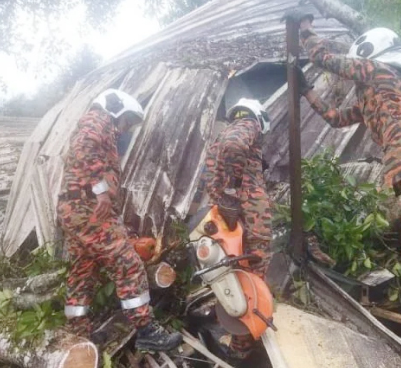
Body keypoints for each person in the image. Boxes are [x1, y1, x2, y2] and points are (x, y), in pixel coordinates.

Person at [284, 12, 401, 364]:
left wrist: (305, 30)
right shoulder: (369, 99)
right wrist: (305, 92)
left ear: (370, 54)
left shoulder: (379, 73)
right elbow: (334, 119)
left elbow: (326, 60)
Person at [57, 89, 182, 351]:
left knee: (83, 270)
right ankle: (147, 330)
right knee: (127, 262)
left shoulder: (99, 124)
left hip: (77, 210)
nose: (125, 128)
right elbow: (84, 147)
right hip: (87, 208)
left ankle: (78, 334)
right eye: (127, 120)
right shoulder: (98, 119)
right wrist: (101, 189)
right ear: (115, 107)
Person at [203, 98, 273, 361]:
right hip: (251, 218)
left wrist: (227, 196)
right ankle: (243, 349)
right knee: (252, 280)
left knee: (236, 273)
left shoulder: (220, 137)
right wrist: (233, 192)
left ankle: (239, 342)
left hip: (232, 222)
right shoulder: (248, 123)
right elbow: (236, 146)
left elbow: (212, 175)